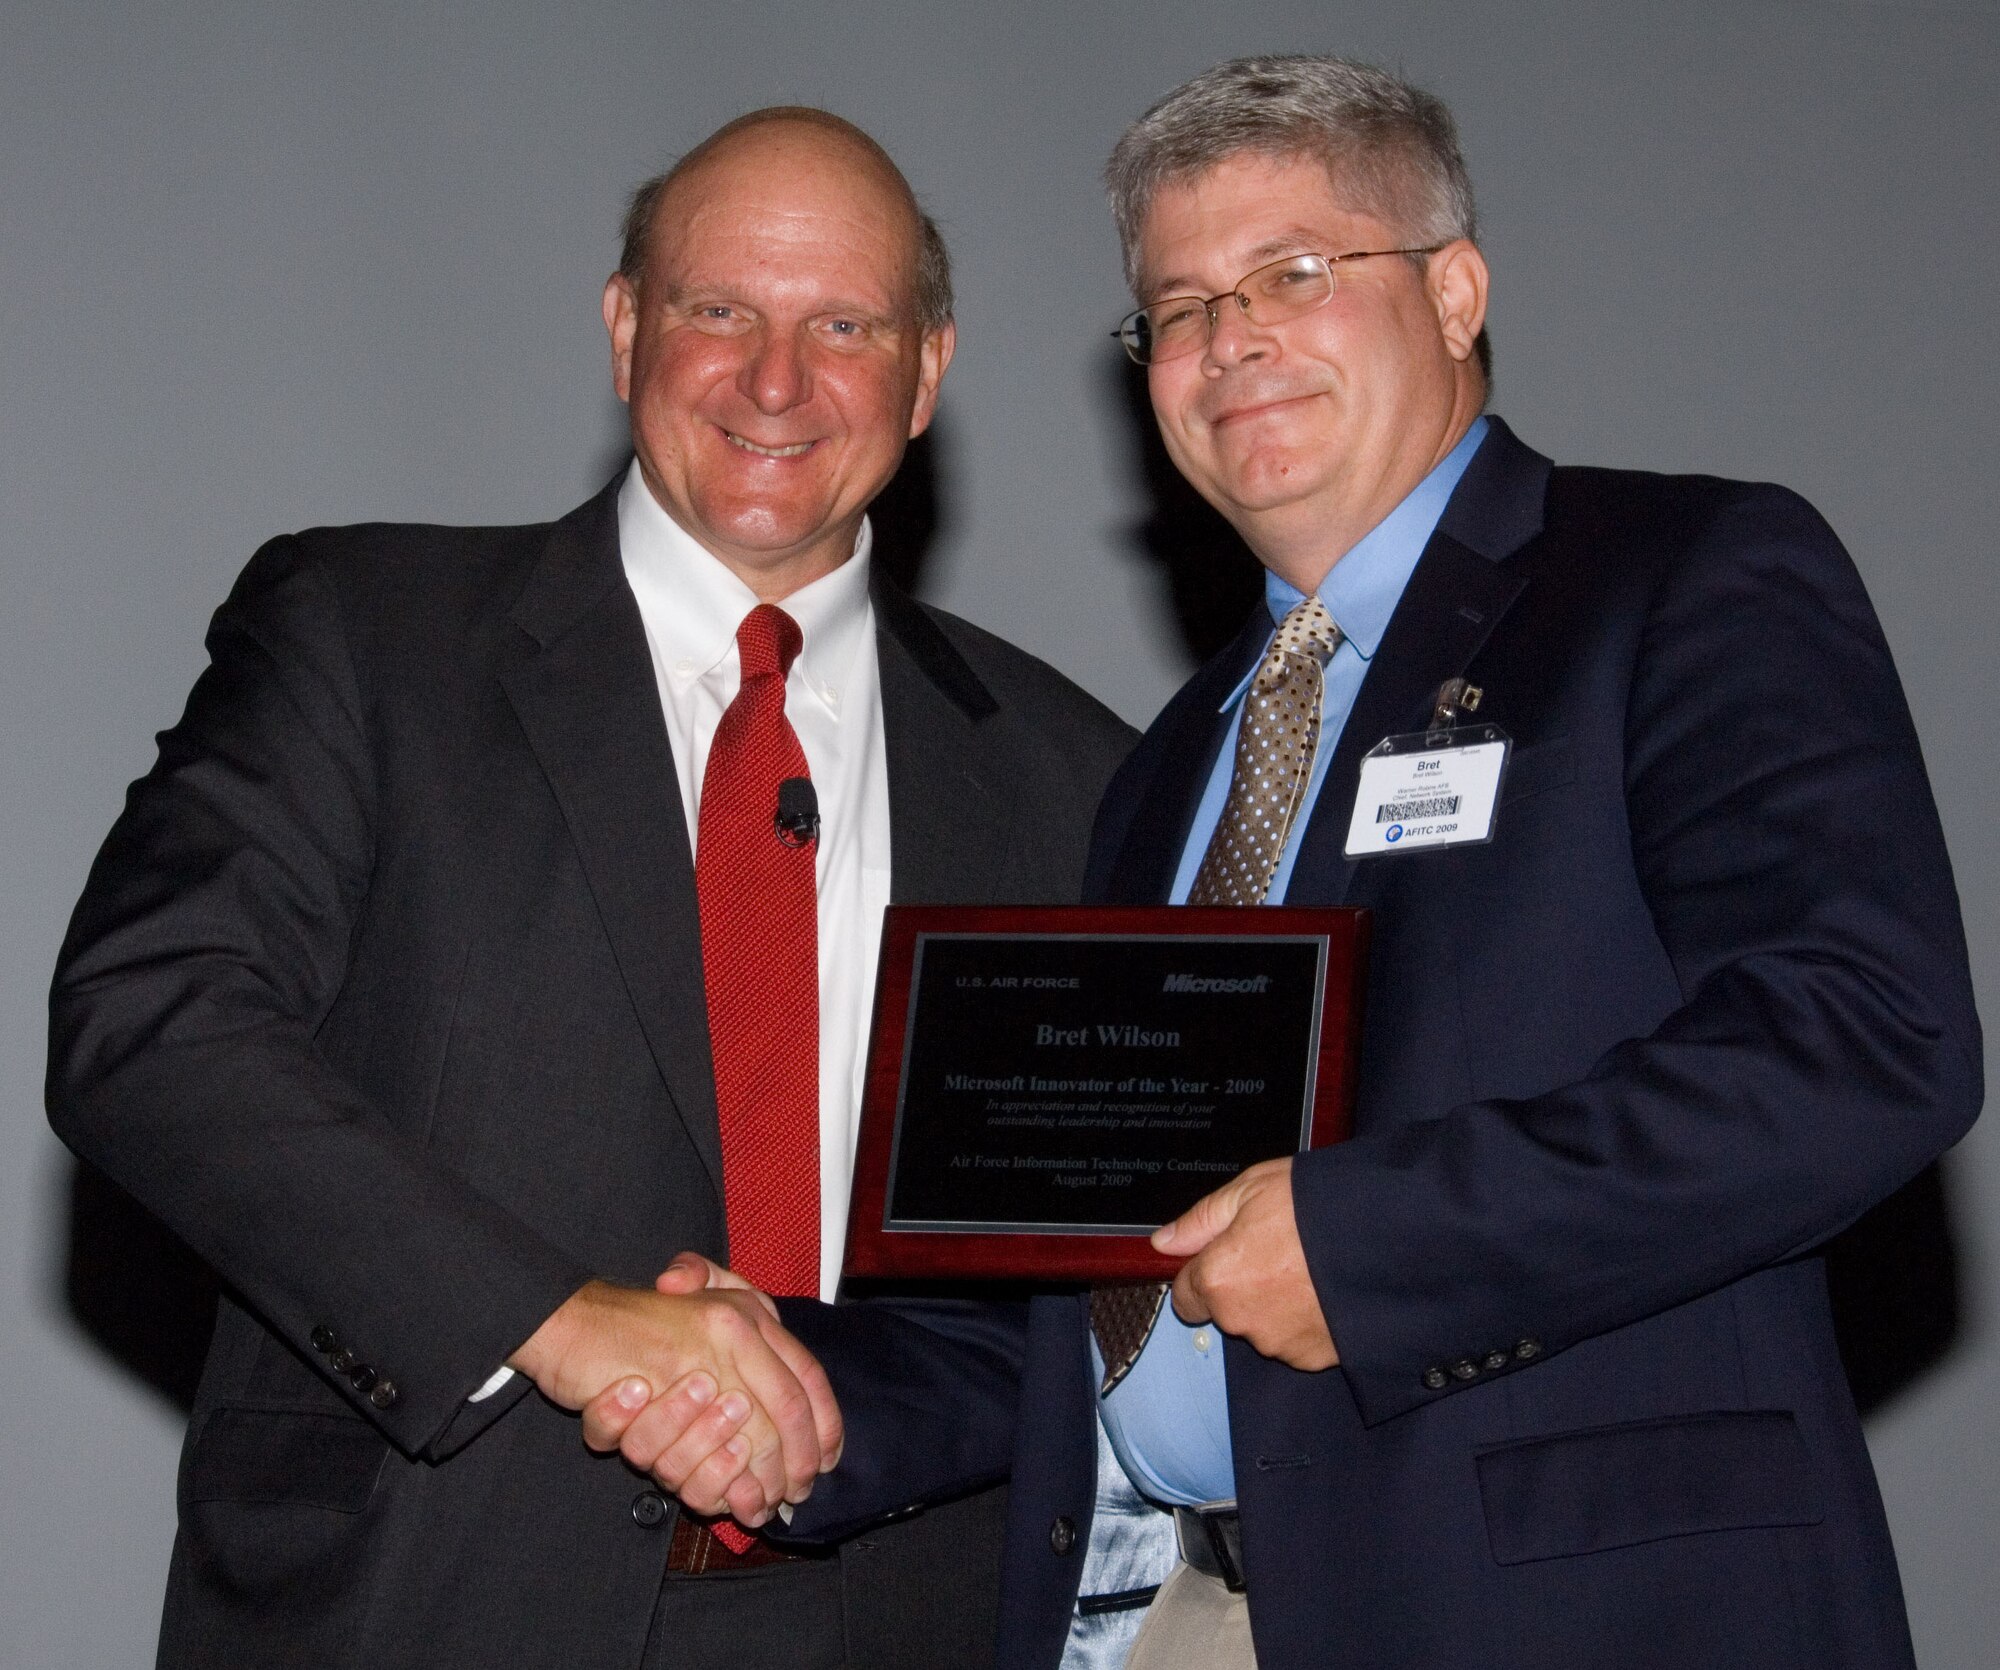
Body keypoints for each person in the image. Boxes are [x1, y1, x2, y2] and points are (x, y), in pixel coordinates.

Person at [603, 55, 1982, 1670]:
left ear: (1457, 292)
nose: (1227, 339)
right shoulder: (1165, 766)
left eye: (1297, 273)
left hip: (1574, 1610)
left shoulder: (1676, 581)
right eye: (1177, 307)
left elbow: (1865, 1040)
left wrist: (1364, 1241)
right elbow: (1108, 1293)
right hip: (1182, 1616)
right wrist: (806, 1393)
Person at [46, 107, 1134, 1670]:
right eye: (719, 311)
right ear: (626, 327)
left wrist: (845, 1421)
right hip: (432, 1599)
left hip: (905, 1611)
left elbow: (1078, 1291)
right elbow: (150, 1026)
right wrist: (558, 1314)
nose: (778, 379)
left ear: (928, 366)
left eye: (844, 323)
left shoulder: (1071, 770)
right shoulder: (370, 637)